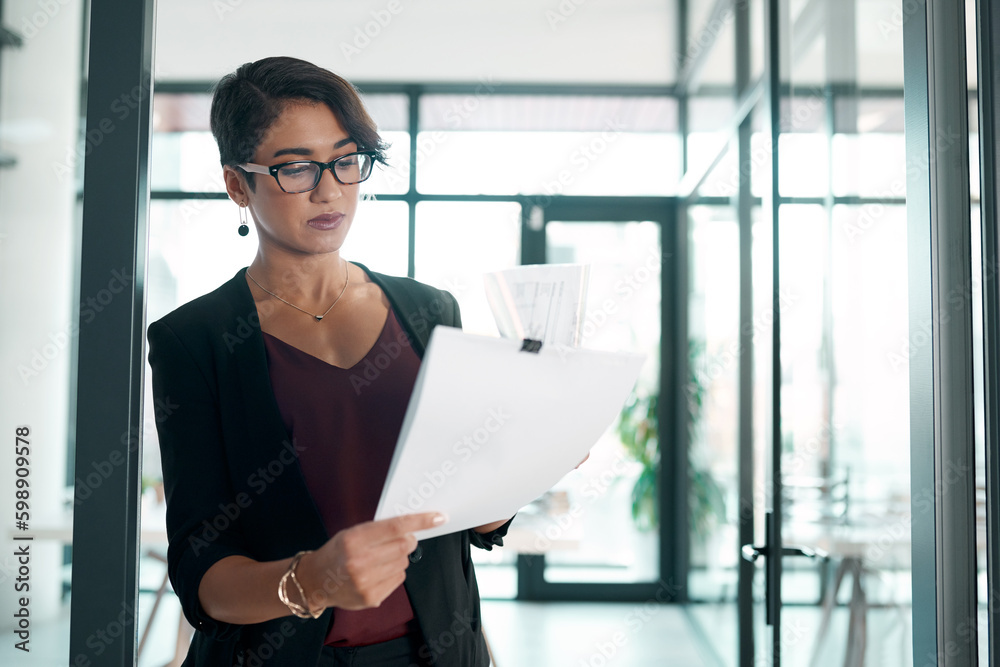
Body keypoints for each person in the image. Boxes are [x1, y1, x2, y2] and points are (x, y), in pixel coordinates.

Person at [146, 56, 515, 667]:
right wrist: (311, 582)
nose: (330, 189)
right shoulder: (195, 340)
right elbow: (200, 570)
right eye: (295, 167)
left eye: (346, 161)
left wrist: (522, 463)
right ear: (238, 185)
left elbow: (470, 513)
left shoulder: (428, 312)